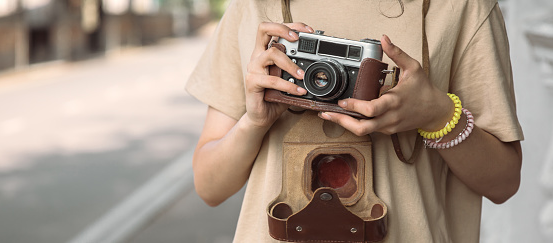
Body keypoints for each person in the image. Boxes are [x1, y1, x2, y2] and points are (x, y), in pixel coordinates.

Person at [186, 0, 524, 241]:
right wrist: (254, 122)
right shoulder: (254, 7)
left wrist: (437, 115)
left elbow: (503, 182)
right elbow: (209, 186)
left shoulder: (459, 7)